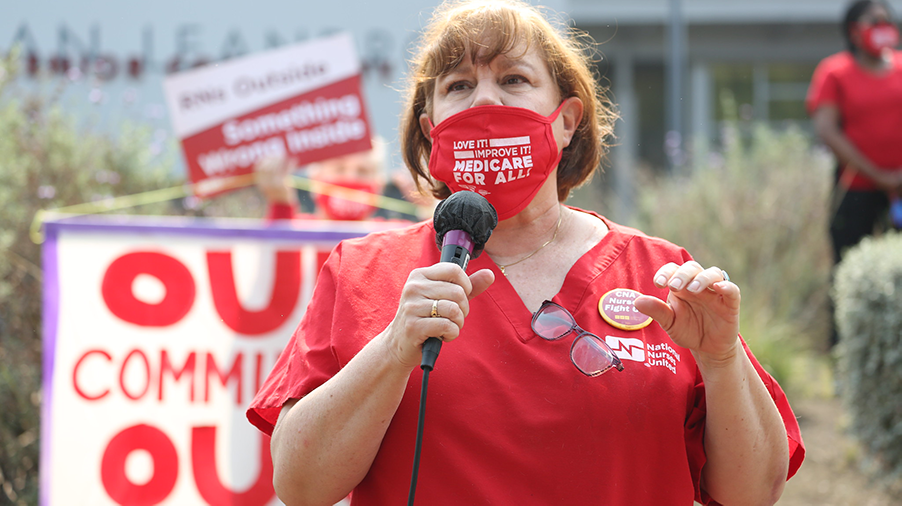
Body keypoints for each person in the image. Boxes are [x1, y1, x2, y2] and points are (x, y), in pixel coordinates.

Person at [247, 1, 805, 504]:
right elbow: (299, 485)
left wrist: (722, 360)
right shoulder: (362, 272)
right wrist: (393, 348)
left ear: (565, 121)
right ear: (430, 127)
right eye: (458, 86)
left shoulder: (659, 275)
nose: (485, 99)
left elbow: (754, 492)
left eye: (513, 79)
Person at [807, 0, 902, 266]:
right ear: (854, 31)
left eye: (887, 21)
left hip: (900, 189)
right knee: (848, 265)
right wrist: (879, 175)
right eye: (874, 22)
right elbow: (827, 129)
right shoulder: (834, 72)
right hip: (855, 190)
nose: (883, 28)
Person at [254, 136, 425, 222]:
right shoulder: (297, 229)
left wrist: (431, 208)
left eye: (363, 171)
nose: (350, 178)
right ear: (315, 177)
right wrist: (281, 205)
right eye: (339, 168)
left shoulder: (395, 233)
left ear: (379, 184)